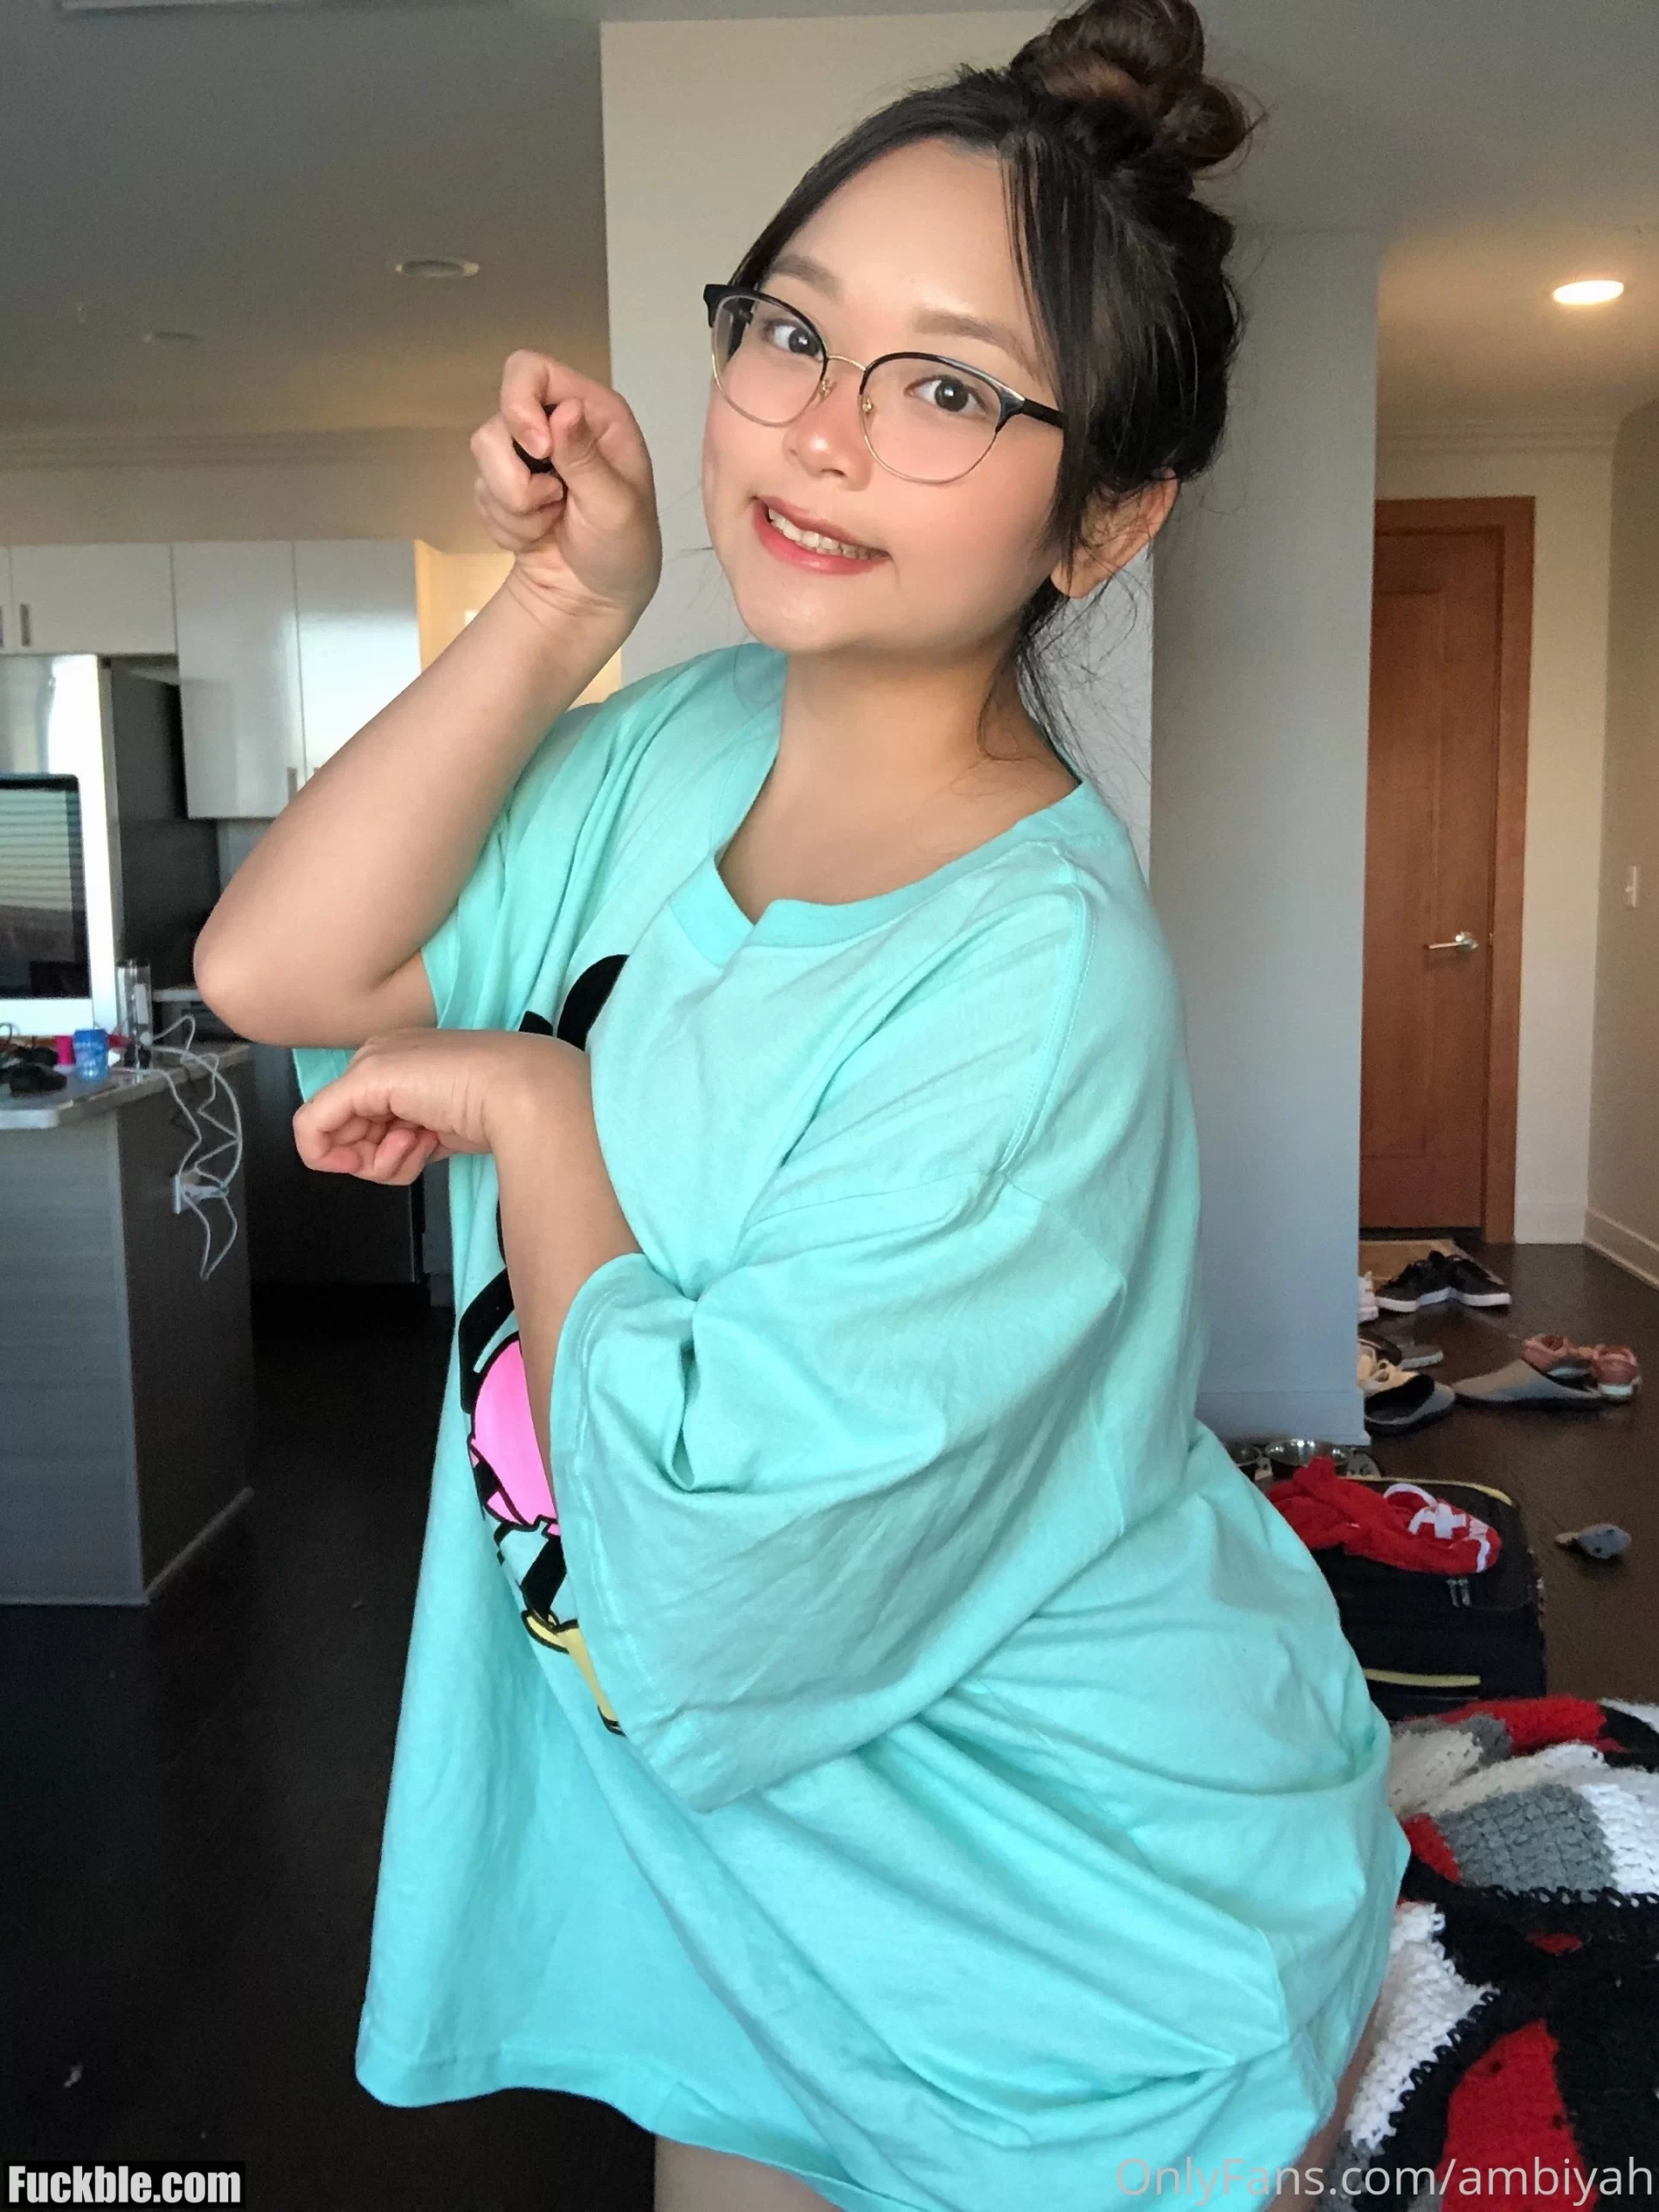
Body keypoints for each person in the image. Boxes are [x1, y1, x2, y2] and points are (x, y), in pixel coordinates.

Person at [194, 0, 1409, 2204]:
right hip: (743, 1907)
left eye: (946, 387)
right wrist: (563, 598)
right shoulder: (674, 746)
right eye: (792, 331)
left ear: (1104, 521)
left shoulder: (1037, 980)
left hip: (1048, 1925)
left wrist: (544, 1112)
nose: (823, 431)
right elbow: (277, 969)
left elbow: (716, 1601)